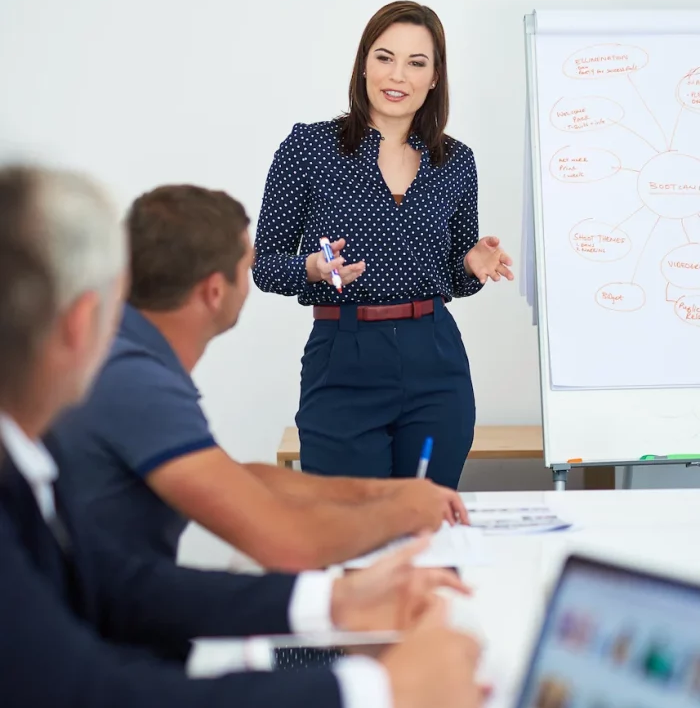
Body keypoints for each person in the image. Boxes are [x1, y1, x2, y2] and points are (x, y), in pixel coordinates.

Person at [0, 163, 486, 708]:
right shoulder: (133, 378)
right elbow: (93, 698)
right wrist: (378, 697)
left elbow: (125, 579)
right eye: (249, 266)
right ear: (82, 320)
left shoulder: (110, 388)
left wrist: (337, 592)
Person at [48, 183, 467, 571]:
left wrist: (384, 494)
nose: (251, 280)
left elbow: (231, 477)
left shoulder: (122, 355)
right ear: (215, 291)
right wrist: (397, 514)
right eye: (247, 267)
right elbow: (288, 543)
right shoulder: (140, 384)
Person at [253, 0, 514, 489]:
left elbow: (455, 279)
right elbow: (265, 265)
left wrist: (471, 264)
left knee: (425, 524)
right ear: (364, 63)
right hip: (343, 356)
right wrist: (310, 268)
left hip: (435, 360)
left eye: (417, 63)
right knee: (350, 528)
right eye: (385, 57)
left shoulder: (456, 161)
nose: (398, 75)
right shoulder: (308, 148)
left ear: (435, 77)